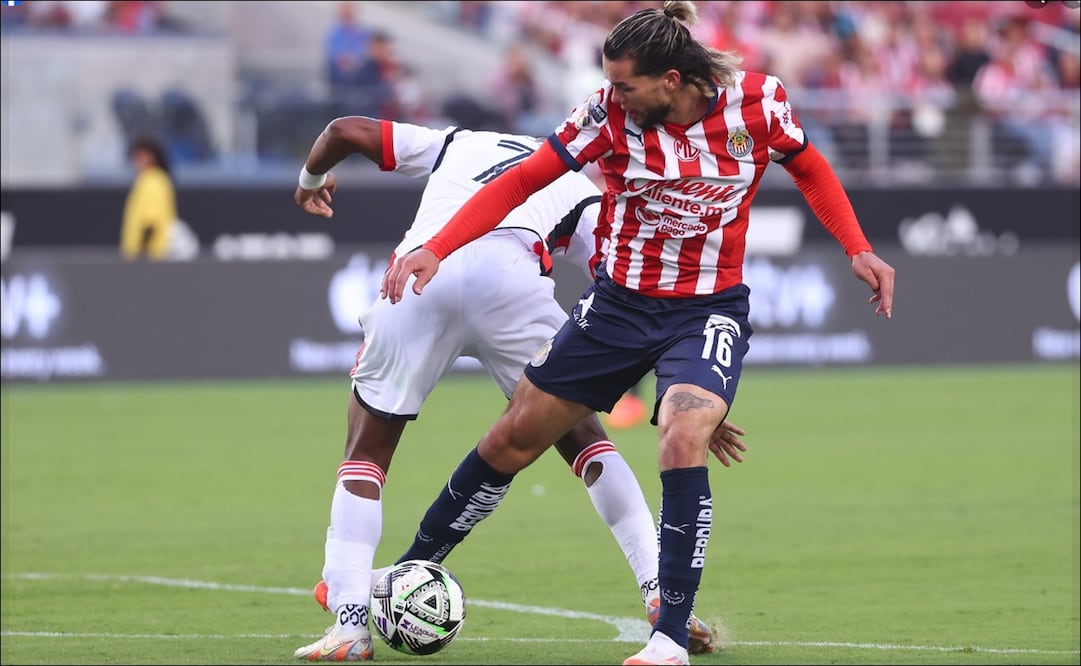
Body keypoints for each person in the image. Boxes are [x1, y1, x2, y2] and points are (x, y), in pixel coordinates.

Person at [382, 2, 896, 665]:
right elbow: (522, 182)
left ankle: (669, 637)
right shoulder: (605, 117)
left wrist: (856, 247)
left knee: (682, 435)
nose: (612, 94)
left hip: (706, 311)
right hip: (617, 308)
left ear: (671, 80)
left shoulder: (759, 104)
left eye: (625, 84)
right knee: (511, 439)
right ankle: (408, 574)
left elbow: (807, 166)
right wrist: (439, 245)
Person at [291, 115, 748, 661]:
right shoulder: (580, 183)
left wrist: (311, 181)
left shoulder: (454, 143)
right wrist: (686, 390)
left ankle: (349, 624)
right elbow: (631, 300)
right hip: (513, 282)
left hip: (422, 272)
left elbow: (344, 130)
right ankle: (657, 590)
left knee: (366, 454)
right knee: (587, 443)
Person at [119, 134, 176, 261]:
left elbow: (151, 221)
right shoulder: (148, 180)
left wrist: (140, 253)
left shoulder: (153, 180)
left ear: (152, 157)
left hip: (151, 257)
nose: (136, 161)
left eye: (140, 156)